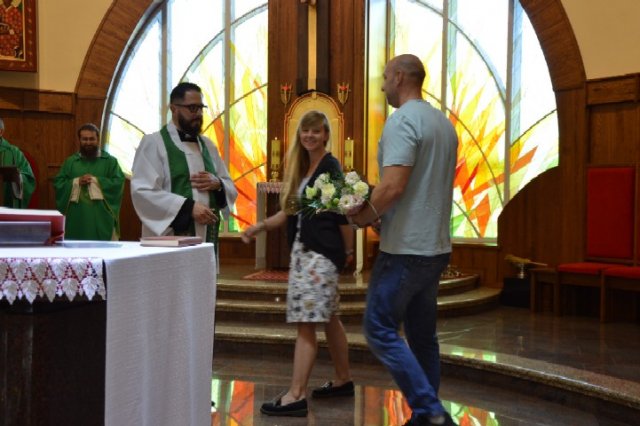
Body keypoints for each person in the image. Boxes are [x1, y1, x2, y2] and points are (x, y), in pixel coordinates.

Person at [347, 54, 459, 426]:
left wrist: (363, 216)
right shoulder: (443, 123)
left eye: (384, 78)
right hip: (435, 247)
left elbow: (394, 186)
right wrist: (385, 216)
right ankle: (426, 418)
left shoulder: (403, 121)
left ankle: (430, 411)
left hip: (406, 250)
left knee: (378, 327)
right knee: (422, 336)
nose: (382, 86)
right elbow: (422, 186)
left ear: (398, 77)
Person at [241, 111, 354, 417]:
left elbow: (342, 214)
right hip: (306, 253)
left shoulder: (330, 167)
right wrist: (260, 226)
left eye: (316, 131)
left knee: (306, 323)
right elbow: (288, 213)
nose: (310, 136)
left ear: (326, 135)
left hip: (319, 254)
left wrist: (347, 251)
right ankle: (343, 379)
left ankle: (296, 394)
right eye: (305, 131)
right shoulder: (304, 169)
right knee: (329, 317)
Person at [130, 82, 237, 250]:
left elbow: (229, 185)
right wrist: (188, 208)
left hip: (206, 237)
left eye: (201, 108)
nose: (199, 114)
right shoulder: (154, 143)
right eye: (192, 108)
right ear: (174, 108)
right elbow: (143, 191)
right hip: (168, 240)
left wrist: (218, 185)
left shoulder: (208, 146)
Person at [53, 123, 125, 240]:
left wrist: (96, 181)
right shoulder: (71, 162)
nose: (88, 142)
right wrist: (76, 182)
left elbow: (118, 183)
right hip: (76, 217)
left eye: (92, 139)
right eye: (84, 139)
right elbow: (58, 183)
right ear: (79, 140)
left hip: (101, 217)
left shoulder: (110, 162)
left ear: (98, 140)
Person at [0, 116, 35, 208]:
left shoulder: (14, 153)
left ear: (1, 132)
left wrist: (18, 177)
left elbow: (28, 177)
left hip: (6, 204)